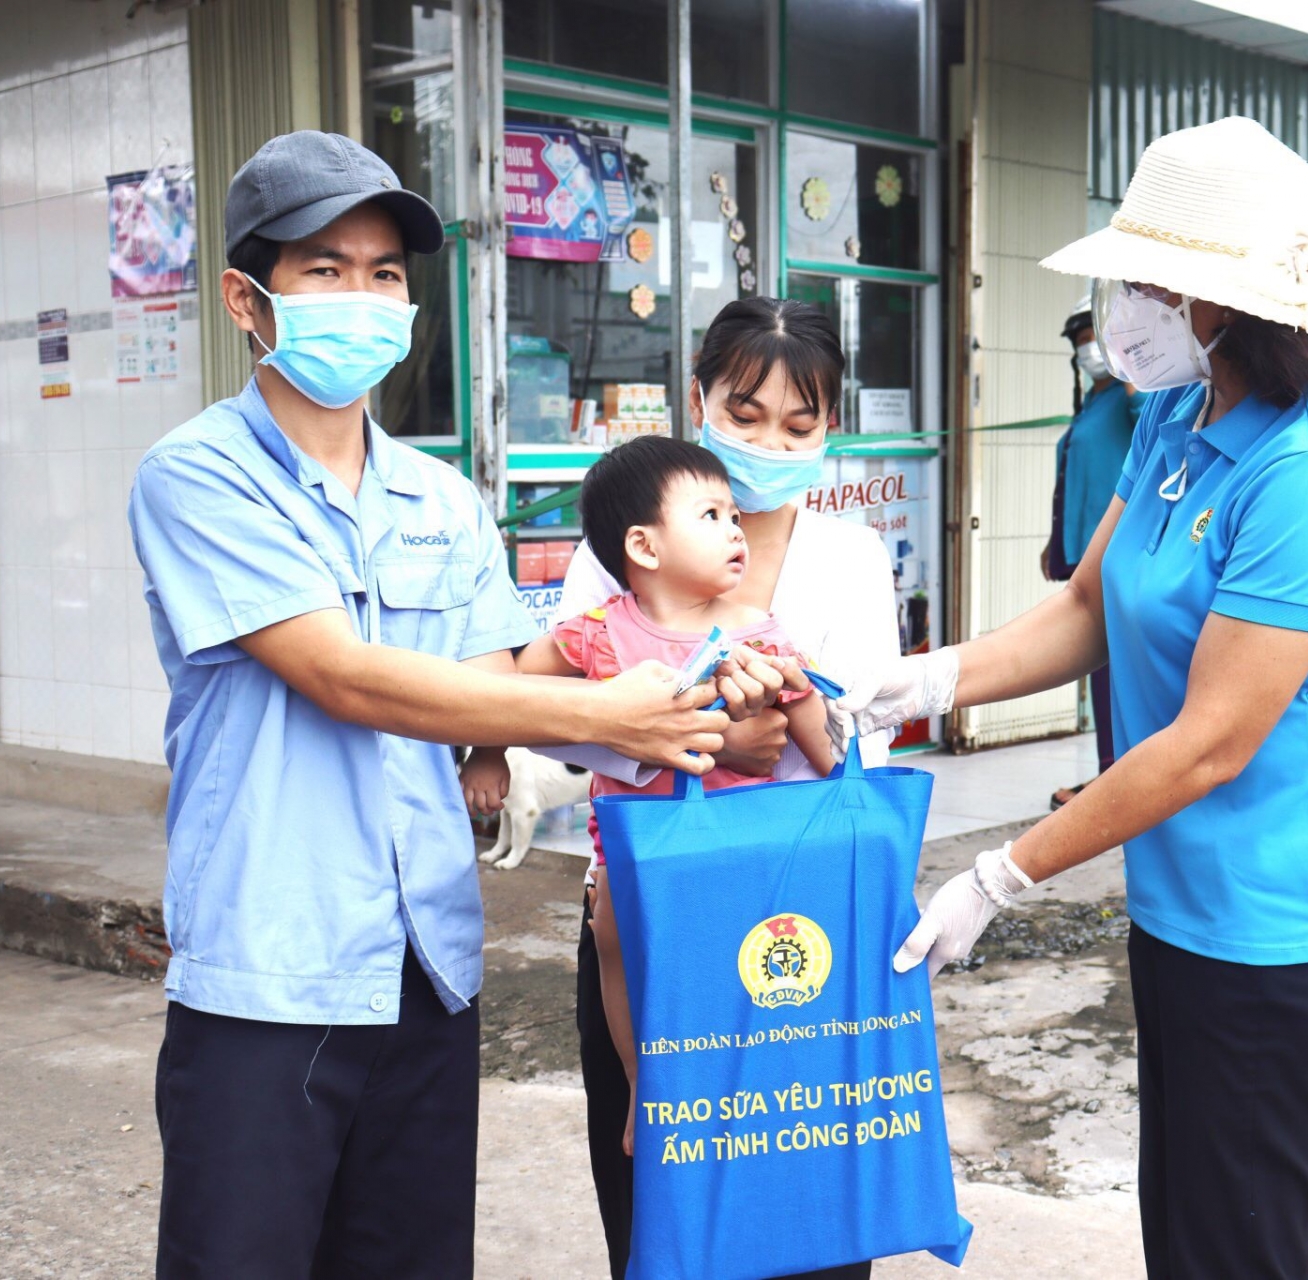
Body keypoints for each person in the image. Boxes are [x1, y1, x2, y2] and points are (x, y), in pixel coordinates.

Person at [127, 131, 747, 1278]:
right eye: (324, 270)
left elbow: (512, 675)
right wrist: (613, 714)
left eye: (386, 275)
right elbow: (342, 673)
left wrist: (710, 654)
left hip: (427, 969)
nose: (361, 299)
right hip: (274, 967)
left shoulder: (442, 498)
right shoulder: (196, 474)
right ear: (245, 298)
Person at [835, 117, 1308, 1279]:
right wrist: (929, 676)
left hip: (1276, 920)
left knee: (1236, 1243)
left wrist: (999, 875)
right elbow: (1087, 608)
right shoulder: (1175, 413)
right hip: (1179, 903)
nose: (1128, 304)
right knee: (1187, 1225)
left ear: (1233, 299)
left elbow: (1208, 743)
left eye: (1156, 281)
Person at [552, 297, 897, 1280]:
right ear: (696, 397)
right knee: (667, 1216)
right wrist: (710, 737)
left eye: (799, 424)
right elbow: (554, 712)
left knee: (812, 1214)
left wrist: (788, 719)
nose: (768, 443)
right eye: (743, 415)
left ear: (832, 428)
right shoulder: (625, 544)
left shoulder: (852, 557)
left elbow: (857, 741)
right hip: (657, 905)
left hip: (803, 922)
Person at [520, 434, 834, 1163]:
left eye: (734, 514)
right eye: (712, 514)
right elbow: (514, 691)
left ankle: (743, 1090)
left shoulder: (757, 629)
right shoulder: (598, 633)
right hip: (634, 855)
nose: (735, 528)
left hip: (733, 855)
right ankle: (644, 1085)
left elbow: (819, 741)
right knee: (613, 939)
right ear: (645, 546)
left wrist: (809, 710)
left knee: (736, 975)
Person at [1043, 297, 1140, 808]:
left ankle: (1116, 778)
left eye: (1093, 341)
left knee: (1113, 672)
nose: (1087, 352)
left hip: (1116, 554)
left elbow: (1146, 413)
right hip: (1084, 552)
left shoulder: (1131, 395)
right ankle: (1109, 773)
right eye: (1079, 344)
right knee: (1101, 672)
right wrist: (1055, 543)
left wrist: (1132, 362)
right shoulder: (1092, 402)